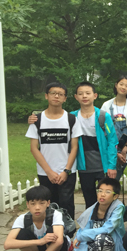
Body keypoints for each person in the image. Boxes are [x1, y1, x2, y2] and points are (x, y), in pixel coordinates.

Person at [26, 82, 81, 218]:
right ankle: (50, 230)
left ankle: (68, 230)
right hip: (45, 172)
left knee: (67, 205)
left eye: (60, 94)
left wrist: (66, 171)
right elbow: (34, 148)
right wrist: (49, 172)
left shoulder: (71, 119)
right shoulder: (37, 120)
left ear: (65, 98)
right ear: (46, 96)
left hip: (67, 172)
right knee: (48, 205)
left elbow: (74, 146)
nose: (56, 96)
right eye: (53, 93)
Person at [62, 177, 127, 251]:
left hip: (110, 245)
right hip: (92, 248)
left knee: (101, 238)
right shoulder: (91, 211)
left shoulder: (118, 208)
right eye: (100, 191)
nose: (102, 194)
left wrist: (82, 236)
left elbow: (107, 229)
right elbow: (80, 236)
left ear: (115, 196)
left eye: (108, 192)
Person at [4, 186, 71, 251]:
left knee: (53, 233)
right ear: (27, 204)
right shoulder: (22, 219)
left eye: (41, 203)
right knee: (20, 235)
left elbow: (59, 241)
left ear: (48, 203)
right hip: (39, 247)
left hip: (59, 250)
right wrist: (40, 241)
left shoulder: (55, 214)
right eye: (33, 204)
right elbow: (7, 244)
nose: (37, 208)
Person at [101, 75, 127, 182]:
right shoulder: (106, 105)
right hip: (113, 147)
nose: (123, 87)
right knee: (112, 180)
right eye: (121, 84)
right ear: (116, 85)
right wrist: (115, 151)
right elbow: (103, 129)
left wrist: (125, 148)